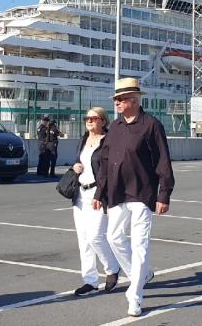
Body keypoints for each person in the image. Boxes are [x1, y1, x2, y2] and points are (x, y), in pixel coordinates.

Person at [93, 78, 175, 317]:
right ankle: (142, 274)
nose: (116, 103)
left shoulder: (151, 125)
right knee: (113, 237)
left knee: (140, 246)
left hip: (142, 193)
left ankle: (135, 295)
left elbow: (163, 162)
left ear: (134, 100)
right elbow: (106, 161)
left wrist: (164, 194)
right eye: (116, 99)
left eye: (120, 99)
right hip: (117, 192)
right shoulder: (116, 127)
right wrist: (100, 191)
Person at [71, 107, 120, 296]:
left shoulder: (108, 141)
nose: (89, 121)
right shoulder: (84, 139)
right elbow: (81, 161)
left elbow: (109, 170)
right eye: (87, 118)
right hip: (80, 193)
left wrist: (100, 193)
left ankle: (112, 268)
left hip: (98, 194)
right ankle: (90, 281)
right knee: (83, 240)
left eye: (93, 118)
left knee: (95, 237)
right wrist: (76, 167)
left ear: (103, 121)